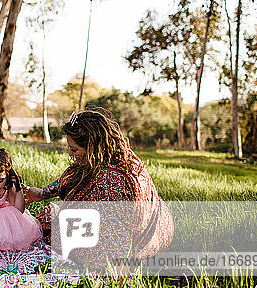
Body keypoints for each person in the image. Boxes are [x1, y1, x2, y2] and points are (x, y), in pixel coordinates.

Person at [24, 109, 174, 272]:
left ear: (92, 148)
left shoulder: (108, 184)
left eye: (74, 149)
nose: (70, 153)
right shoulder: (115, 156)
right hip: (160, 228)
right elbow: (72, 179)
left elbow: (116, 242)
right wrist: (42, 193)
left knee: (58, 231)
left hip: (143, 241)